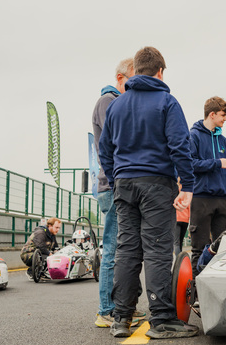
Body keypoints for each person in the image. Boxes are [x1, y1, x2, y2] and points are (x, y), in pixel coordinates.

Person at [99, 46, 198, 339]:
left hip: (124, 184)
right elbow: (181, 146)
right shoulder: (167, 102)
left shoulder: (116, 105)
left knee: (127, 250)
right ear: (160, 72)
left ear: (136, 70)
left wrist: (118, 175)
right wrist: (189, 185)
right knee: (157, 249)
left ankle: (121, 318)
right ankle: (162, 318)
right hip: (156, 183)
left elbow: (106, 150)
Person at [91, 58, 146, 328]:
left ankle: (124, 306)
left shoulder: (116, 101)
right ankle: (106, 309)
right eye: (133, 79)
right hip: (112, 185)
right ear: (121, 77)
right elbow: (111, 145)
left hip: (118, 183)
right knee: (114, 248)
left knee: (128, 247)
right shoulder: (109, 101)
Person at [189, 96, 226, 275]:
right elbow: (190, 164)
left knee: (223, 249)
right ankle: (195, 294)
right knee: (199, 248)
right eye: (223, 115)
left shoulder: (222, 139)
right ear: (212, 114)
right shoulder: (194, 136)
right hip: (202, 198)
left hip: (222, 199)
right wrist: (215, 163)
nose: (225, 119)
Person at [174, 178, 190, 257]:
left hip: (176, 219)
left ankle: (178, 260)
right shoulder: (186, 192)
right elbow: (189, 206)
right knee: (181, 241)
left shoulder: (175, 190)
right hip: (185, 220)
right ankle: (181, 259)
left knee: (176, 242)